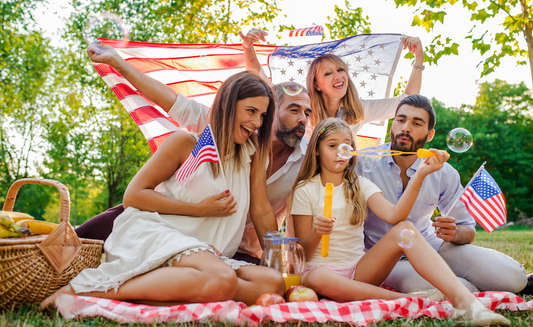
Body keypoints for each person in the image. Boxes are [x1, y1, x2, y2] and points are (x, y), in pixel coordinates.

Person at [41, 71, 286, 309]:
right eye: (251, 111)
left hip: (203, 254)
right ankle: (87, 290)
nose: (257, 123)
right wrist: (198, 210)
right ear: (226, 105)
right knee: (222, 279)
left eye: (263, 116)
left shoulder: (252, 154)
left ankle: (172, 289)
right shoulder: (186, 143)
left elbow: (261, 209)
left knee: (271, 283)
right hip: (157, 234)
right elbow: (133, 196)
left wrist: (280, 254)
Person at [76, 42, 313, 264]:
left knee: (261, 281)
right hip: (175, 224)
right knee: (91, 234)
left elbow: (262, 210)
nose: (302, 118)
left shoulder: (297, 156)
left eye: (307, 113)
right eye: (294, 109)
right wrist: (118, 63)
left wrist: (278, 261)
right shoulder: (220, 128)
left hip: (233, 245)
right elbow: (168, 99)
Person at [287, 117, 510, 326]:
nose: (340, 152)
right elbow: (303, 254)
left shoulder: (359, 184)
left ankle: (467, 303)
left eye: (346, 145)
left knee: (405, 229)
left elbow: (396, 216)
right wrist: (317, 232)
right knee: (318, 277)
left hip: (360, 270)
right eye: (332, 145)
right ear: (316, 150)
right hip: (319, 272)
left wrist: (420, 175)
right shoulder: (305, 190)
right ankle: (408, 300)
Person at [358, 94, 528, 294]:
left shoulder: (443, 172)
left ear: (429, 135)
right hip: (385, 257)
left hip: (430, 246)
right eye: (401, 120)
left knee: (514, 279)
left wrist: (454, 233)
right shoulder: (363, 164)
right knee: (462, 288)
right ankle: (464, 288)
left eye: (416, 123)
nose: (405, 128)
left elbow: (468, 231)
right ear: (392, 125)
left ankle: (472, 286)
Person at [240, 28, 424, 137]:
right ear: (317, 84)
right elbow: (260, 79)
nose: (338, 76)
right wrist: (248, 48)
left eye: (341, 70)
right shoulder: (301, 105)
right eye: (328, 73)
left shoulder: (358, 111)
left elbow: (406, 101)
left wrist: (418, 59)